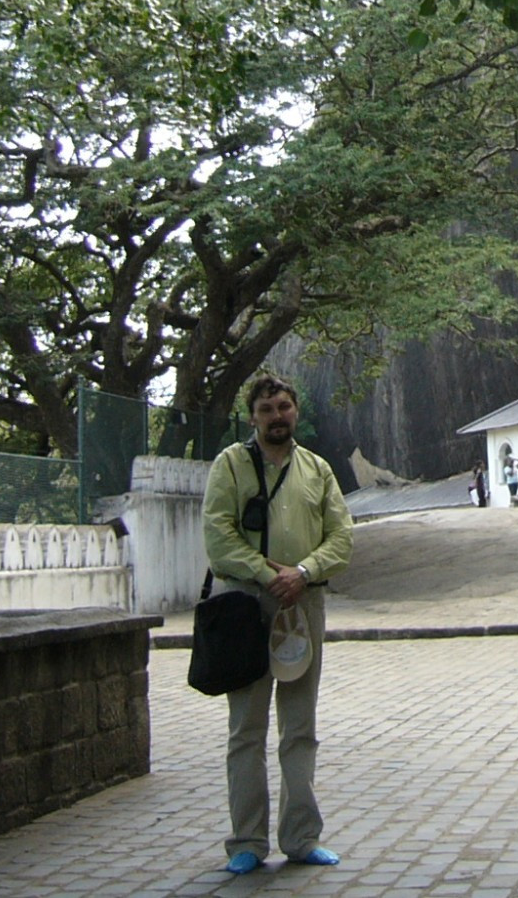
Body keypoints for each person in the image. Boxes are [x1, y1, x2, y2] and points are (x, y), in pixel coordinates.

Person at [203, 374, 354, 875]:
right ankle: (246, 841)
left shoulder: (317, 469)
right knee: (246, 728)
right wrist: (268, 573)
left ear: (295, 411)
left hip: (303, 606)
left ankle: (301, 836)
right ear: (252, 417)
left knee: (300, 725)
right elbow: (219, 536)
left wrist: (304, 572)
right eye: (266, 409)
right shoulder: (230, 465)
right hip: (248, 606)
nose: (276, 417)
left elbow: (341, 536)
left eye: (284, 407)